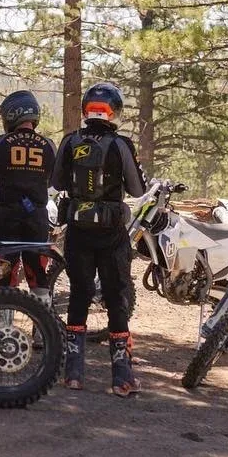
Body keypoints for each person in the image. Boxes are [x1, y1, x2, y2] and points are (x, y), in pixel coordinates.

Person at [52, 81, 145, 398]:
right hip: (111, 233)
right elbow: (136, 190)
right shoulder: (120, 145)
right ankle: (121, 378)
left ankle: (73, 375)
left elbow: (57, 181)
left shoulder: (69, 142)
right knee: (116, 299)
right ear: (114, 112)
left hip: (78, 230)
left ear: (85, 110)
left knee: (79, 295)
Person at [0, 89, 56, 306]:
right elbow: (54, 180)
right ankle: (43, 330)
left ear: (11, 115)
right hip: (37, 216)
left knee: (5, 271)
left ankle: (3, 328)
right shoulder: (48, 145)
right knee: (37, 271)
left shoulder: (0, 143)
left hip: (7, 215)